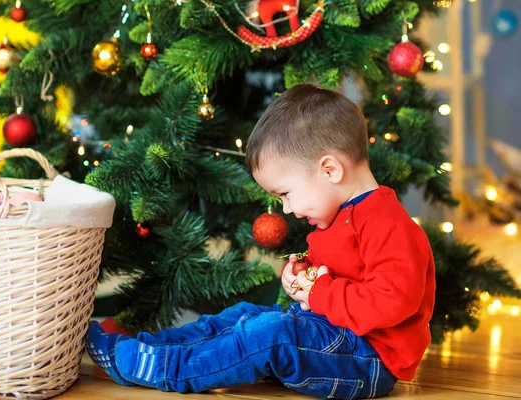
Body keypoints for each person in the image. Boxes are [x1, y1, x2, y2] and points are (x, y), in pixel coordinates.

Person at [86, 84, 436, 399]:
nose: (286, 208)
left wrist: (319, 292)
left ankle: (166, 369)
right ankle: (144, 349)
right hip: (332, 338)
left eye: (285, 194)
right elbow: (340, 279)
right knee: (244, 316)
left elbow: (393, 300)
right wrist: (304, 276)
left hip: (368, 361)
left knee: (271, 332)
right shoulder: (339, 213)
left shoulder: (386, 221)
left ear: (330, 170)